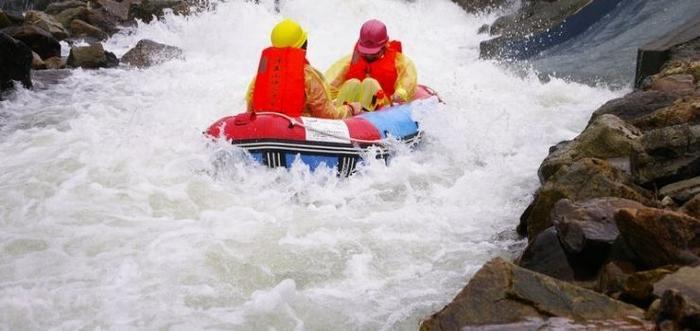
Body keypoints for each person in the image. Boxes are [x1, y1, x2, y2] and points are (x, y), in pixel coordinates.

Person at [246, 19, 360, 119]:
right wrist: (349, 109)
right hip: (300, 129)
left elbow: (251, 109)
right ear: (303, 47)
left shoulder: (260, 76)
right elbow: (328, 115)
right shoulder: (308, 76)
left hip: (266, 128)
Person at [325, 19, 417, 112]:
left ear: (384, 46)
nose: (369, 55)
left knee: (370, 83)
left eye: (373, 52)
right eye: (365, 52)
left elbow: (407, 81)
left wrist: (400, 93)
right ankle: (340, 115)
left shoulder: (399, 61)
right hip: (352, 108)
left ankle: (363, 114)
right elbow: (333, 84)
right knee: (353, 83)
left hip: (381, 106)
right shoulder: (351, 60)